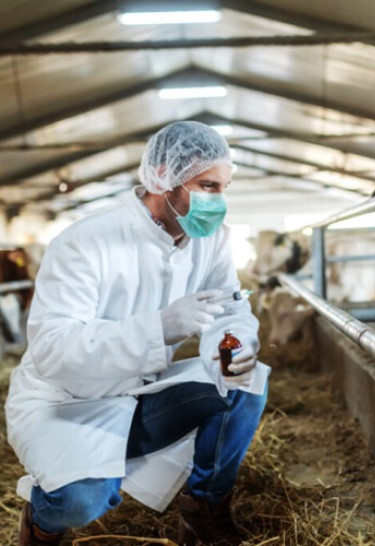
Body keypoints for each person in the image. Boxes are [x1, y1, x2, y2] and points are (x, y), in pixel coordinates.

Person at [5, 120, 269, 546]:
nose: (219, 201)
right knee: (81, 501)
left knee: (246, 381)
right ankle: (41, 522)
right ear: (164, 177)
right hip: (66, 401)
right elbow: (53, 350)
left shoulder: (213, 240)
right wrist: (158, 328)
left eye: (224, 187)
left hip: (142, 391)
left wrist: (232, 345)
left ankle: (203, 511)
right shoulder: (85, 242)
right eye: (208, 186)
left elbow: (229, 308)